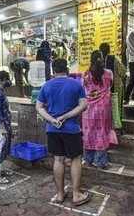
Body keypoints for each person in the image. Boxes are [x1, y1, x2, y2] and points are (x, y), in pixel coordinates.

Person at [36, 59, 91, 206]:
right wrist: (66, 116)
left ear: (54, 71)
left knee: (58, 159)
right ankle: (76, 195)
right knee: (75, 159)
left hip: (53, 129)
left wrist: (52, 120)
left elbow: (39, 107)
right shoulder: (76, 84)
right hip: (71, 129)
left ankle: (60, 194)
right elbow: (84, 104)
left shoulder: (46, 86)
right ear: (66, 69)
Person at [82, 51, 118, 169]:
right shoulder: (109, 73)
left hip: (89, 109)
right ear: (102, 59)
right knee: (102, 133)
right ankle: (100, 161)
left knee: (89, 133)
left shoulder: (86, 75)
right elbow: (111, 85)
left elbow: (84, 89)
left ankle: (88, 160)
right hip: (103, 108)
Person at [99, 42, 126, 126]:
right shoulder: (115, 59)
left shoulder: (98, 61)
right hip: (116, 87)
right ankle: (117, 125)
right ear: (109, 50)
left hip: (103, 90)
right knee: (116, 107)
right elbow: (123, 72)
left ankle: (107, 124)